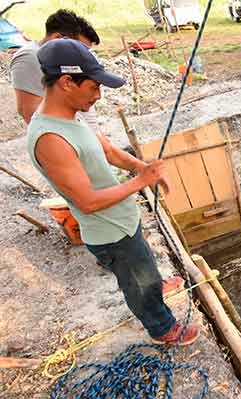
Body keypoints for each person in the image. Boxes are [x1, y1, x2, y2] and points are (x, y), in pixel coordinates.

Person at [27, 38, 200, 345]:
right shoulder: (50, 138)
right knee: (137, 282)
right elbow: (88, 203)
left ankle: (155, 285)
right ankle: (161, 328)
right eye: (93, 87)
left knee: (145, 264)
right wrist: (140, 181)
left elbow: (108, 151)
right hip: (109, 234)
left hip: (122, 222)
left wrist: (143, 168)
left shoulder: (72, 116)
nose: (98, 95)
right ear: (67, 82)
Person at [10, 9, 100, 125]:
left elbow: (89, 117)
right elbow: (30, 112)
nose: (83, 56)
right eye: (79, 49)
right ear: (57, 39)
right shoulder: (30, 56)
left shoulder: (69, 62)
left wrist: (98, 140)